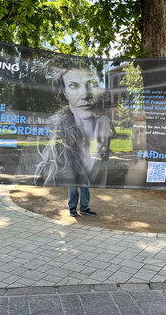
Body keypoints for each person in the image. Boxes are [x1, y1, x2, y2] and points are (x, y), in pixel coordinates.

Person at [36, 61, 113, 217]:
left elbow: (104, 147)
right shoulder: (56, 125)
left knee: (85, 184)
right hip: (72, 159)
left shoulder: (101, 122)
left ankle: (84, 207)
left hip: (87, 160)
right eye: (74, 86)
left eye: (88, 85)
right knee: (73, 184)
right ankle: (72, 208)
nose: (84, 94)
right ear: (64, 93)